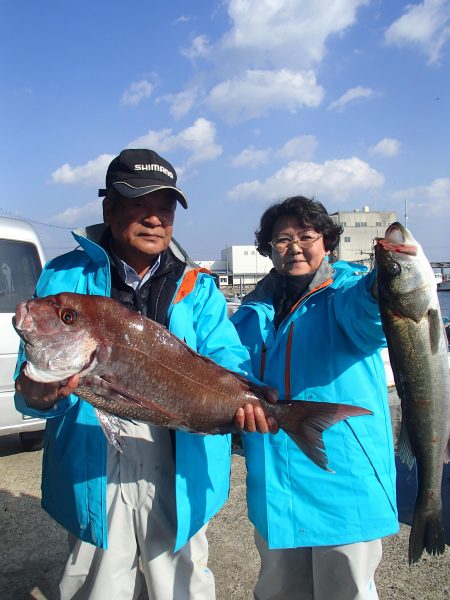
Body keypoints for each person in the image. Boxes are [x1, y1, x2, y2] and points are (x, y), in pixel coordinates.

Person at [14, 148, 269, 600]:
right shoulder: (62, 278)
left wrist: (245, 404)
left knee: (181, 587)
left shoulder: (199, 286)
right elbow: (30, 381)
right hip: (93, 458)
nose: (154, 218)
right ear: (108, 208)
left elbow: (229, 360)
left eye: (165, 208)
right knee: (96, 586)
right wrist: (36, 393)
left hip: (178, 454)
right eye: (138, 203)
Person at [231, 196, 399, 600]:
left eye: (306, 236)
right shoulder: (250, 311)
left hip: (343, 483)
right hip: (275, 485)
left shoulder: (345, 291)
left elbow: (368, 316)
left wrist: (387, 282)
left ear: (327, 242)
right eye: (282, 239)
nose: (295, 247)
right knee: (278, 591)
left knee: (347, 590)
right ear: (268, 249)